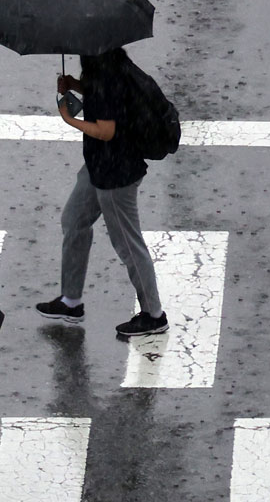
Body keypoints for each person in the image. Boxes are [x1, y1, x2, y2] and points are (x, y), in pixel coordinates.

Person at [36, 48, 170, 337]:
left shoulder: (107, 77)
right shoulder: (108, 67)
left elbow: (106, 130)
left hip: (115, 173)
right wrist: (75, 85)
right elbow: (103, 100)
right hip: (99, 165)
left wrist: (69, 119)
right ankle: (71, 301)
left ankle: (154, 314)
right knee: (73, 220)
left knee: (127, 244)